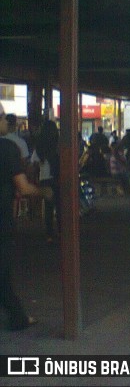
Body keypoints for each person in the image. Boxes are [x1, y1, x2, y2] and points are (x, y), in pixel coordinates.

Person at [1, 102, 53, 330]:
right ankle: (17, 316)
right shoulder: (8, 149)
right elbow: (23, 187)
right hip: (2, 218)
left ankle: (16, 314)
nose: (5, 121)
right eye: (2, 116)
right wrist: (44, 192)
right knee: (2, 268)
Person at [30, 120, 61, 243]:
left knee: (48, 207)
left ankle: (49, 234)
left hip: (44, 179)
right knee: (60, 206)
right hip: (58, 178)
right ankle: (61, 230)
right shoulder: (58, 145)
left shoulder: (40, 146)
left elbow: (34, 164)